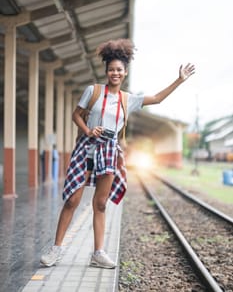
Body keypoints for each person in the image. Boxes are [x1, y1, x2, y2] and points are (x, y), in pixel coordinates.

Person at [40, 38, 195, 269]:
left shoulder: (128, 99)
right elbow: (76, 115)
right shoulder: (92, 91)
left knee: (101, 204)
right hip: (87, 149)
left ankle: (98, 253)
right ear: (106, 71)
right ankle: (56, 250)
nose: (115, 73)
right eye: (111, 69)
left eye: (119, 70)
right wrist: (89, 131)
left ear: (125, 73)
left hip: (110, 150)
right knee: (73, 200)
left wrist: (179, 80)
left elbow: (158, 98)